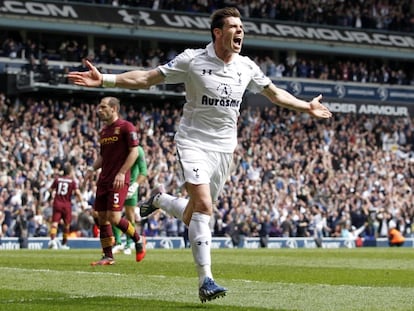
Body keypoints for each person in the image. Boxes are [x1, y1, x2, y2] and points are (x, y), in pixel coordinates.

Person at [68, 7, 332, 302]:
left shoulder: (246, 66)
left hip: (224, 149)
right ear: (218, 32)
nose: (240, 31)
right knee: (204, 206)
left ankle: (161, 200)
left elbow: (274, 94)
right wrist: (105, 79)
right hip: (192, 142)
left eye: (242, 26)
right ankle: (206, 280)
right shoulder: (192, 60)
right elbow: (147, 78)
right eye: (234, 26)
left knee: (195, 212)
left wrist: (305, 106)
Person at [84, 96, 146, 266]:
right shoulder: (104, 132)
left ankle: (137, 238)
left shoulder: (126, 127)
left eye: (103, 107)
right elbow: (103, 157)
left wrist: (122, 173)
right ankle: (108, 256)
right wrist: (91, 169)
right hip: (104, 179)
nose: (99, 110)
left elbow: (134, 152)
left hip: (119, 180)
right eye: (99, 107)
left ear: (114, 109)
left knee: (115, 217)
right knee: (100, 216)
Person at [112, 145, 148, 255]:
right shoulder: (117, 148)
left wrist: (135, 185)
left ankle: (128, 244)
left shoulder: (139, 150)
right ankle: (118, 242)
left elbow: (143, 171)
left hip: (131, 187)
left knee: (130, 216)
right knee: (113, 215)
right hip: (117, 184)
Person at [48, 164, 83, 250]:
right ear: (70, 172)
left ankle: (52, 240)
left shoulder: (57, 180)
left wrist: (52, 196)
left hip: (57, 203)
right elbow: (77, 192)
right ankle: (64, 244)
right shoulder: (72, 182)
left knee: (55, 222)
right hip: (66, 204)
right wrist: (82, 201)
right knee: (67, 225)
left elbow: (50, 190)